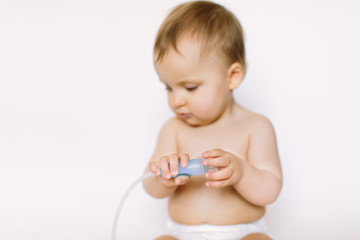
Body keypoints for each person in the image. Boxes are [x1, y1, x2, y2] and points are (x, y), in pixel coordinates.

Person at [142, 1, 282, 239]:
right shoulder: (173, 129)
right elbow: (148, 185)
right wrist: (163, 178)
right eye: (168, 88)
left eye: (190, 87)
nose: (176, 101)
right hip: (183, 233)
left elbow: (270, 190)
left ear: (232, 77)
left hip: (242, 232)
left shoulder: (255, 127)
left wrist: (241, 173)